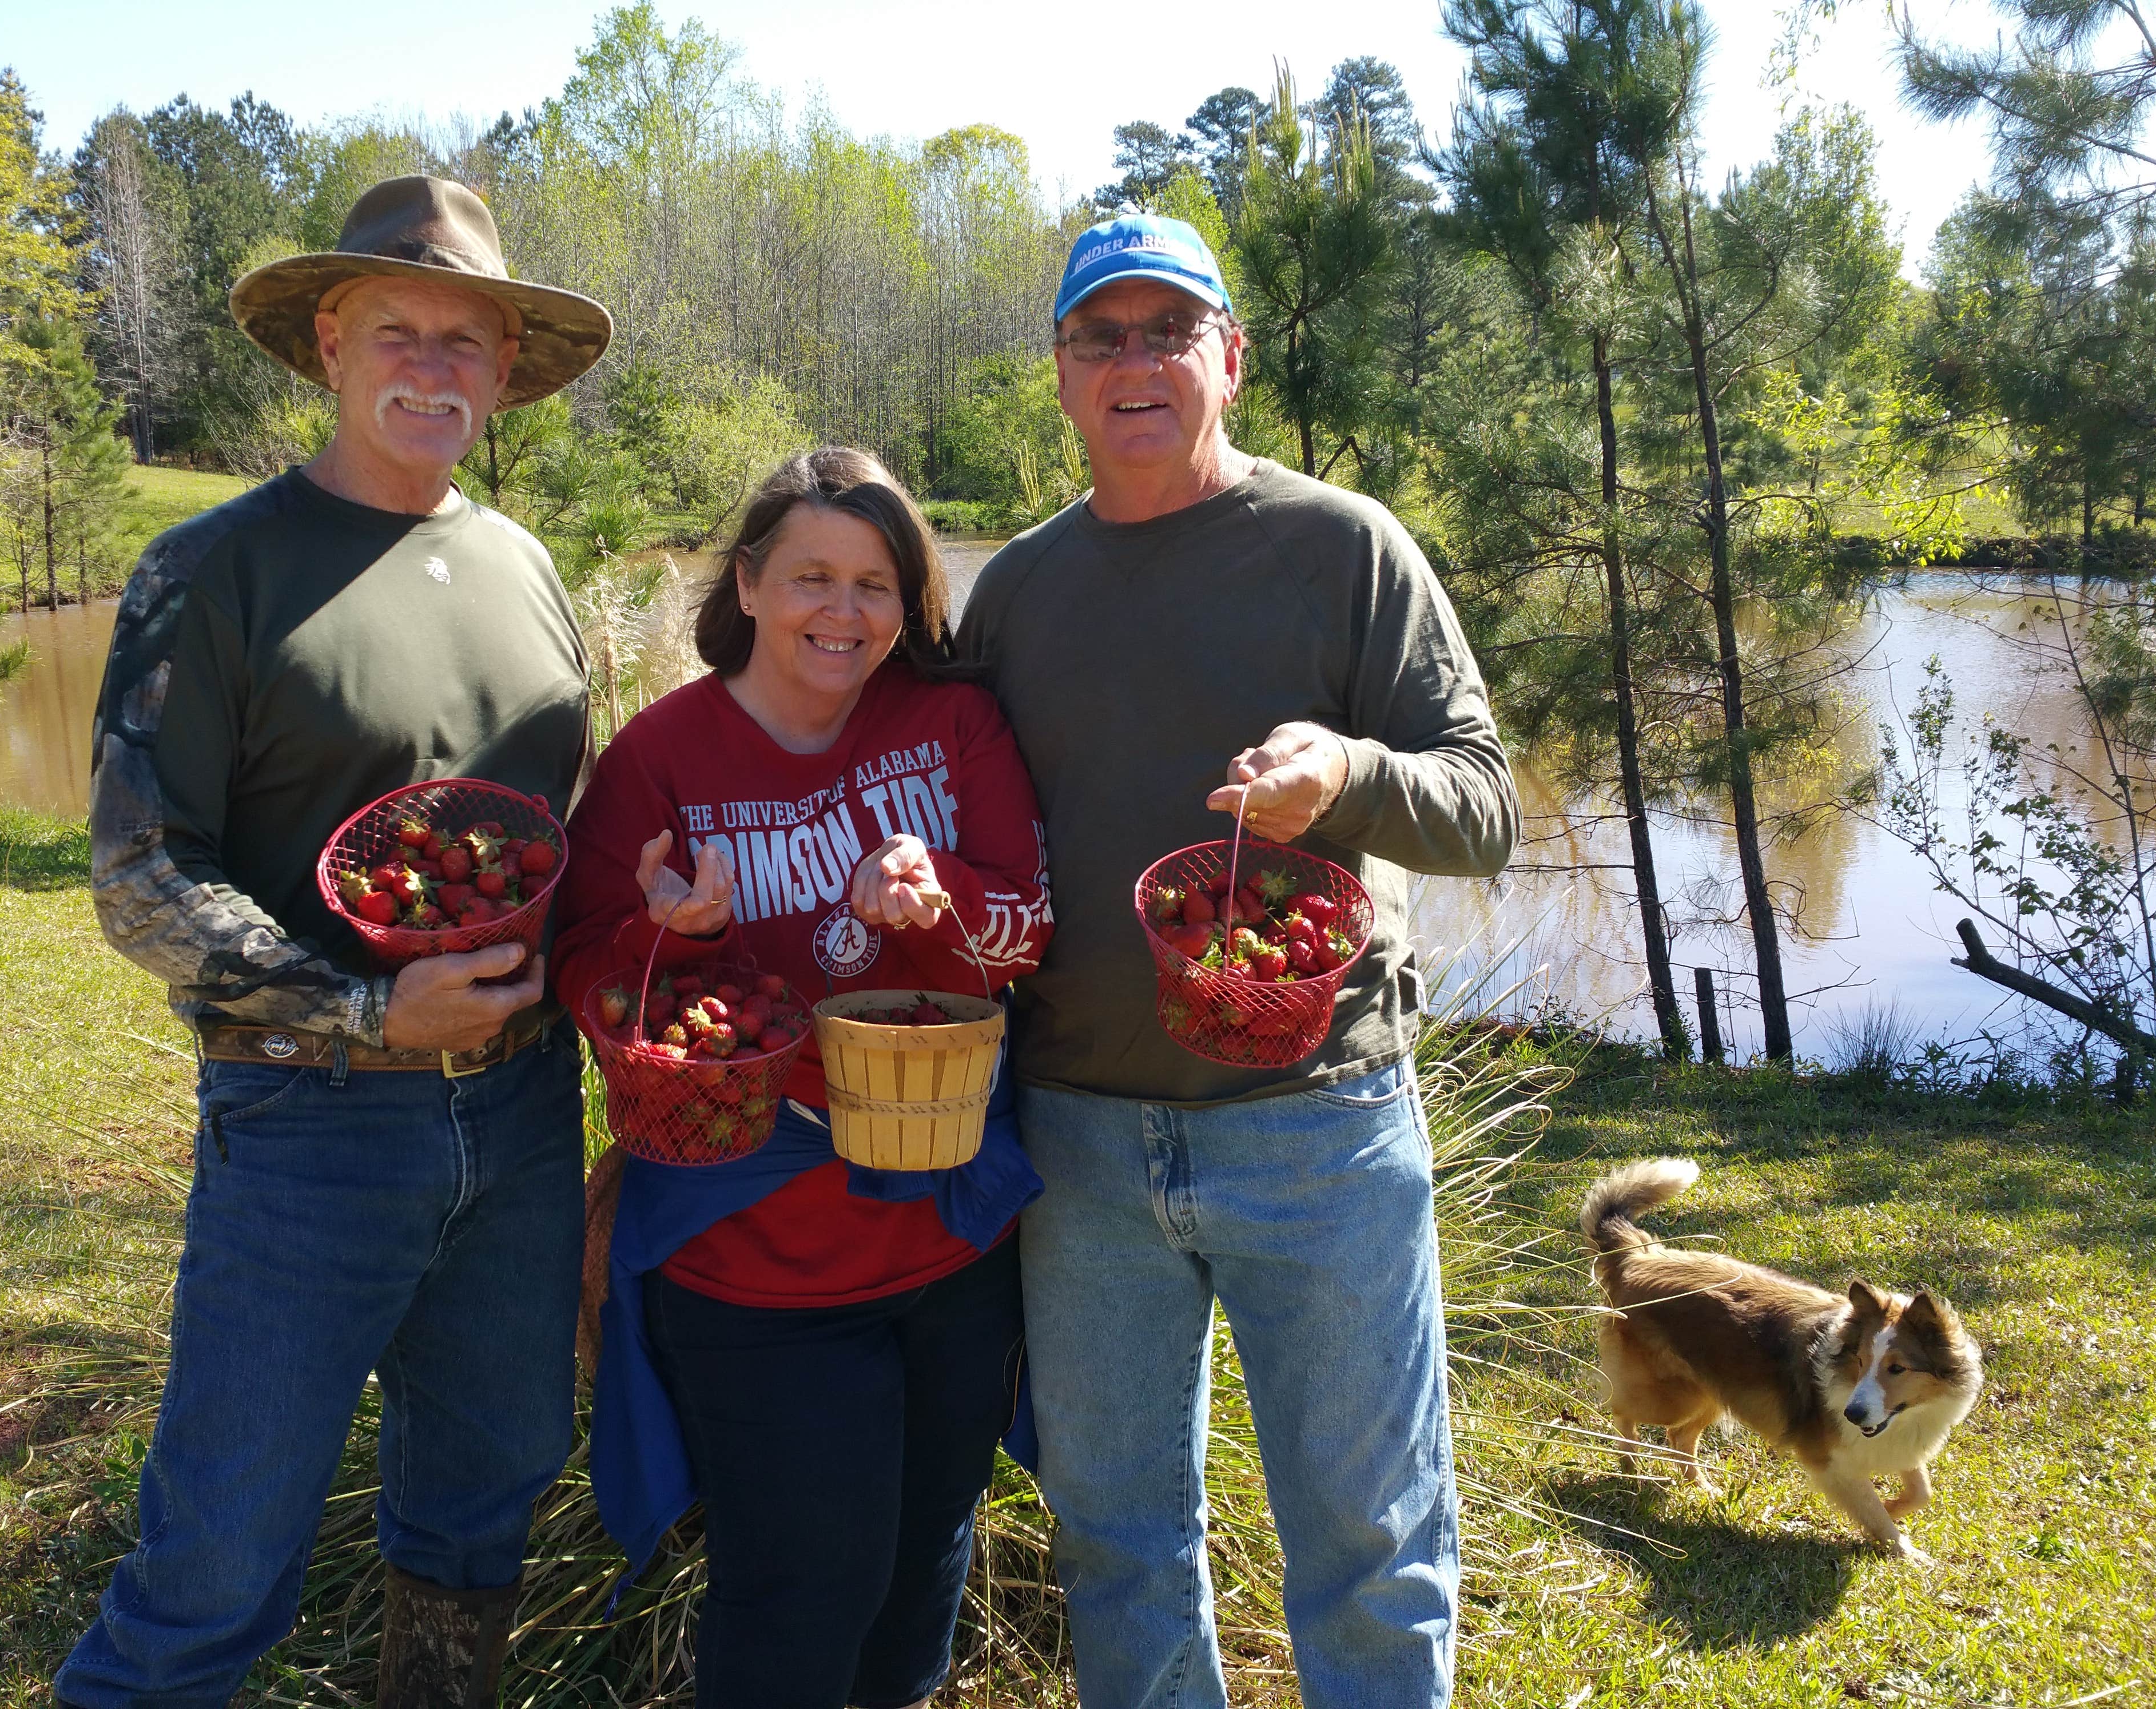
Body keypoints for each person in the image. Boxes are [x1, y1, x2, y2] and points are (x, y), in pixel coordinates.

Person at [54, 176, 614, 1709]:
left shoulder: (521, 565)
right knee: (220, 1549)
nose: (434, 366)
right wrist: (366, 1007)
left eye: (469, 341)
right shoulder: (214, 572)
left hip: (519, 1116)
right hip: (309, 1122)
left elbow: (571, 831)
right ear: (329, 339)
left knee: (486, 1491)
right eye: (399, 329)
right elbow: (139, 871)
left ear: (505, 372)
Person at [952, 214, 1519, 1709]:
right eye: (1101, 336)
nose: (1135, 363)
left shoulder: (1342, 549)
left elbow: (1486, 807)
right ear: (1062, 373)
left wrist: (1346, 771)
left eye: (1167, 330)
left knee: (1370, 1549)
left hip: (1318, 1130)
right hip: (1080, 1146)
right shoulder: (1014, 592)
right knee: (1118, 1546)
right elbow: (954, 817)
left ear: (1230, 356)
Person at [549, 447, 1053, 1709]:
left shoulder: (949, 722)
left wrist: (935, 904)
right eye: (813, 577)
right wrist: (685, 933)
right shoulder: (662, 758)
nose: (844, 613)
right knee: (800, 1580)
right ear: (751, 584)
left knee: (924, 1554)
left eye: (876, 583)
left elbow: (1029, 929)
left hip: (946, 1234)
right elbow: (585, 975)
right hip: (754, 1252)